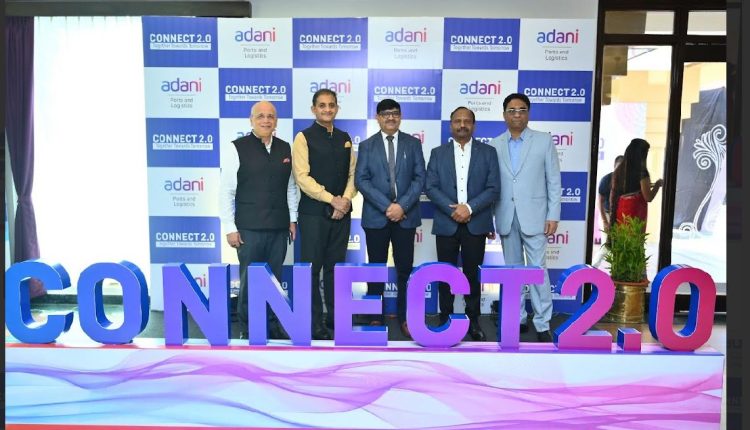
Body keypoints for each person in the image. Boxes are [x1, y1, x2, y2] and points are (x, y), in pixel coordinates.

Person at [219, 100, 297, 340]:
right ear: (251, 120)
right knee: (249, 281)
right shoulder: (236, 148)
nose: (266, 120)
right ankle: (249, 327)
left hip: (278, 228)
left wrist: (292, 219)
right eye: (260, 116)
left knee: (274, 281)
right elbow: (226, 191)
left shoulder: (285, 148)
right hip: (248, 229)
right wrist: (230, 227)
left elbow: (290, 187)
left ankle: (272, 325)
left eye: (270, 116)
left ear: (276, 121)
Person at [490, 93, 561, 342]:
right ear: (504, 114)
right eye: (511, 110)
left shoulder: (543, 141)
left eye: (521, 110)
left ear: (528, 113)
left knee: (538, 271)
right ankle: (517, 317)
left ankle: (542, 322)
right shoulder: (495, 144)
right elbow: (492, 184)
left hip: (536, 216)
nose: (516, 114)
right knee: (513, 271)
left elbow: (554, 180)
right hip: (506, 215)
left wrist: (553, 214)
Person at [425, 106, 499, 341]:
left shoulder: (488, 152)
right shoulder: (438, 153)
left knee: (472, 275)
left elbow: (493, 188)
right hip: (446, 223)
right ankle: (445, 317)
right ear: (451, 125)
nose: (462, 125)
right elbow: (430, 187)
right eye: (457, 121)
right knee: (445, 273)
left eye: (467, 121)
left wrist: (469, 208)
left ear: (474, 125)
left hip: (476, 223)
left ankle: (472, 320)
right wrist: (454, 210)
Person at [355, 99, 426, 339]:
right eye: (385, 113)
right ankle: (375, 314)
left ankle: (406, 316)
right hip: (377, 216)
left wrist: (401, 206)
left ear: (400, 116)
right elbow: (361, 180)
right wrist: (388, 207)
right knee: (376, 267)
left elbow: (420, 178)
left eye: (395, 113)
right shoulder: (367, 146)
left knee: (405, 268)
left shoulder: (413, 144)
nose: (390, 117)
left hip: (406, 216)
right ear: (377, 117)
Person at [292, 89, 357, 340]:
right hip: (313, 215)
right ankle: (314, 323)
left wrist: (346, 201)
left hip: (342, 214)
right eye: (322, 105)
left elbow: (353, 174)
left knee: (336, 269)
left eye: (331, 105)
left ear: (337, 108)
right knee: (311, 270)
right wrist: (333, 200)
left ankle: (336, 318)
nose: (327, 109)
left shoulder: (344, 137)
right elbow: (302, 177)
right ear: (314, 109)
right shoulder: (303, 137)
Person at [610, 138, 663, 228]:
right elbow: (648, 197)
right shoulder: (641, 171)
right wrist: (657, 185)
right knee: (634, 236)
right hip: (635, 212)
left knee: (622, 236)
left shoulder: (620, 169)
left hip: (620, 209)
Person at [592, 155, 624, 268]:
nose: (621, 169)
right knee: (607, 245)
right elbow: (600, 202)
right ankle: (593, 267)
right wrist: (605, 221)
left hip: (620, 217)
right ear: (614, 165)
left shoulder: (626, 181)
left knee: (619, 246)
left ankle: (616, 271)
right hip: (607, 215)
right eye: (619, 166)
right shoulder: (606, 180)